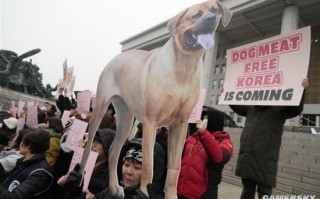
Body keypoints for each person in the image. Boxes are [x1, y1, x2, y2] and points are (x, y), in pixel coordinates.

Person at [228, 78, 309, 199]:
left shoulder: (278, 110)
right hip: (248, 160)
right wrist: (226, 94)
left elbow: (295, 109)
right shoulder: (251, 108)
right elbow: (237, 106)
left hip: (265, 164)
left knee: (265, 193)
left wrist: (302, 91)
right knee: (247, 191)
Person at [64, 138, 166, 199]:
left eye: (137, 167)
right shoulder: (114, 190)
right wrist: (76, 190)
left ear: (153, 172)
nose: (128, 172)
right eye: (126, 164)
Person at [177, 106, 233, 199]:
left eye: (206, 119)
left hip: (202, 194)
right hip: (181, 192)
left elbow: (219, 158)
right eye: (202, 118)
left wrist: (204, 133)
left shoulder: (224, 141)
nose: (202, 121)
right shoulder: (193, 138)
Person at [56, 128, 116, 198]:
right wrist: (63, 183)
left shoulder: (110, 173)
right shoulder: (85, 159)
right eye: (93, 141)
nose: (94, 145)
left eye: (98, 143)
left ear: (109, 146)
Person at [0, 128, 53, 198]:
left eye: (22, 141)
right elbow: (7, 179)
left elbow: (13, 197)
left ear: (29, 145)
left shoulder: (39, 174)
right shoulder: (24, 161)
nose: (20, 143)